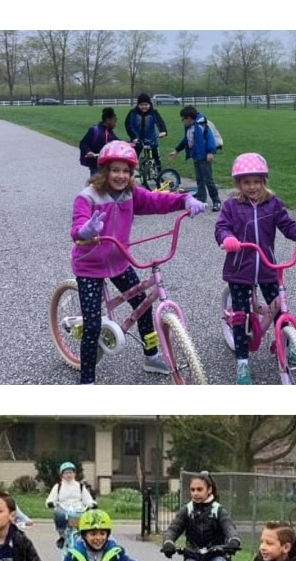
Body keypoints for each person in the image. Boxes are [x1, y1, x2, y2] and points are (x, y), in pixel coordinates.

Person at [69, 140, 208, 385]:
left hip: (120, 260)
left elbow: (157, 200)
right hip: (89, 266)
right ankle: (87, 380)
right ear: (105, 171)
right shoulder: (87, 197)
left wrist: (185, 199)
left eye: (126, 171)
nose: (121, 176)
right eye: (115, 170)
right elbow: (78, 226)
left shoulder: (131, 194)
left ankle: (151, 355)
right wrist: (85, 231)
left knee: (143, 305)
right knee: (92, 325)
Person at [215, 153, 296, 384]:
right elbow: (222, 227)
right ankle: (243, 362)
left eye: (257, 181)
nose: (252, 187)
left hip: (267, 267)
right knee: (241, 315)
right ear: (239, 184)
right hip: (240, 270)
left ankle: (287, 341)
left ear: (264, 181)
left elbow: (288, 226)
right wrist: (227, 239)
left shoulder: (273, 204)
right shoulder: (232, 206)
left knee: (280, 306)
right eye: (247, 182)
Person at [168, 105, 221, 211]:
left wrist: (210, 152)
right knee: (199, 179)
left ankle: (216, 201)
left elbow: (209, 138)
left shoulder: (201, 125)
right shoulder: (190, 128)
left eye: (183, 119)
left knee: (208, 180)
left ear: (188, 118)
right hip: (196, 157)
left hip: (204, 157)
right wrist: (176, 150)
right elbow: (186, 140)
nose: (182, 121)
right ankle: (201, 199)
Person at [45, 461, 96, 548]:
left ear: (74, 474)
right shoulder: (58, 486)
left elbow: (87, 499)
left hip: (78, 510)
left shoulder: (80, 486)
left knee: (88, 519)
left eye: (71, 472)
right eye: (66, 473)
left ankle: (84, 538)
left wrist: (92, 504)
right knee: (58, 513)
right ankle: (62, 536)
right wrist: (50, 503)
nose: (69, 475)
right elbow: (51, 499)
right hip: (64, 511)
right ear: (62, 475)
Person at [124, 93, 168, 167]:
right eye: (141, 105)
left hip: (151, 140)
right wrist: (134, 137)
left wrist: (163, 131)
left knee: (156, 159)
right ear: (138, 105)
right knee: (131, 160)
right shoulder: (133, 113)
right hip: (137, 140)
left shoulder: (153, 113)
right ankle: (129, 175)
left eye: (146, 104)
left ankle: (159, 175)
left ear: (150, 104)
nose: (144, 107)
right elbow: (128, 125)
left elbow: (160, 122)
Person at [78, 107, 120, 177]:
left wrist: (127, 143)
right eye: (114, 121)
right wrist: (88, 151)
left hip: (108, 165)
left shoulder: (110, 133)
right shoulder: (94, 130)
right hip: (95, 165)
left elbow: (117, 142)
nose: (115, 124)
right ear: (108, 120)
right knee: (96, 185)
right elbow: (83, 143)